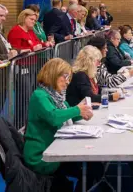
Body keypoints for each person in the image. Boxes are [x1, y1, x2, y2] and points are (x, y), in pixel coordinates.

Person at [23, 58, 102, 191]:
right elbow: (54, 116)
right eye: (65, 77)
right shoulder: (39, 96)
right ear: (53, 74)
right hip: (41, 156)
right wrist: (77, 109)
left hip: (54, 147)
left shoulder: (56, 96)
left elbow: (65, 112)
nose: (67, 82)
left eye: (69, 78)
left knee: (95, 167)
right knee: (92, 169)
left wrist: (81, 113)